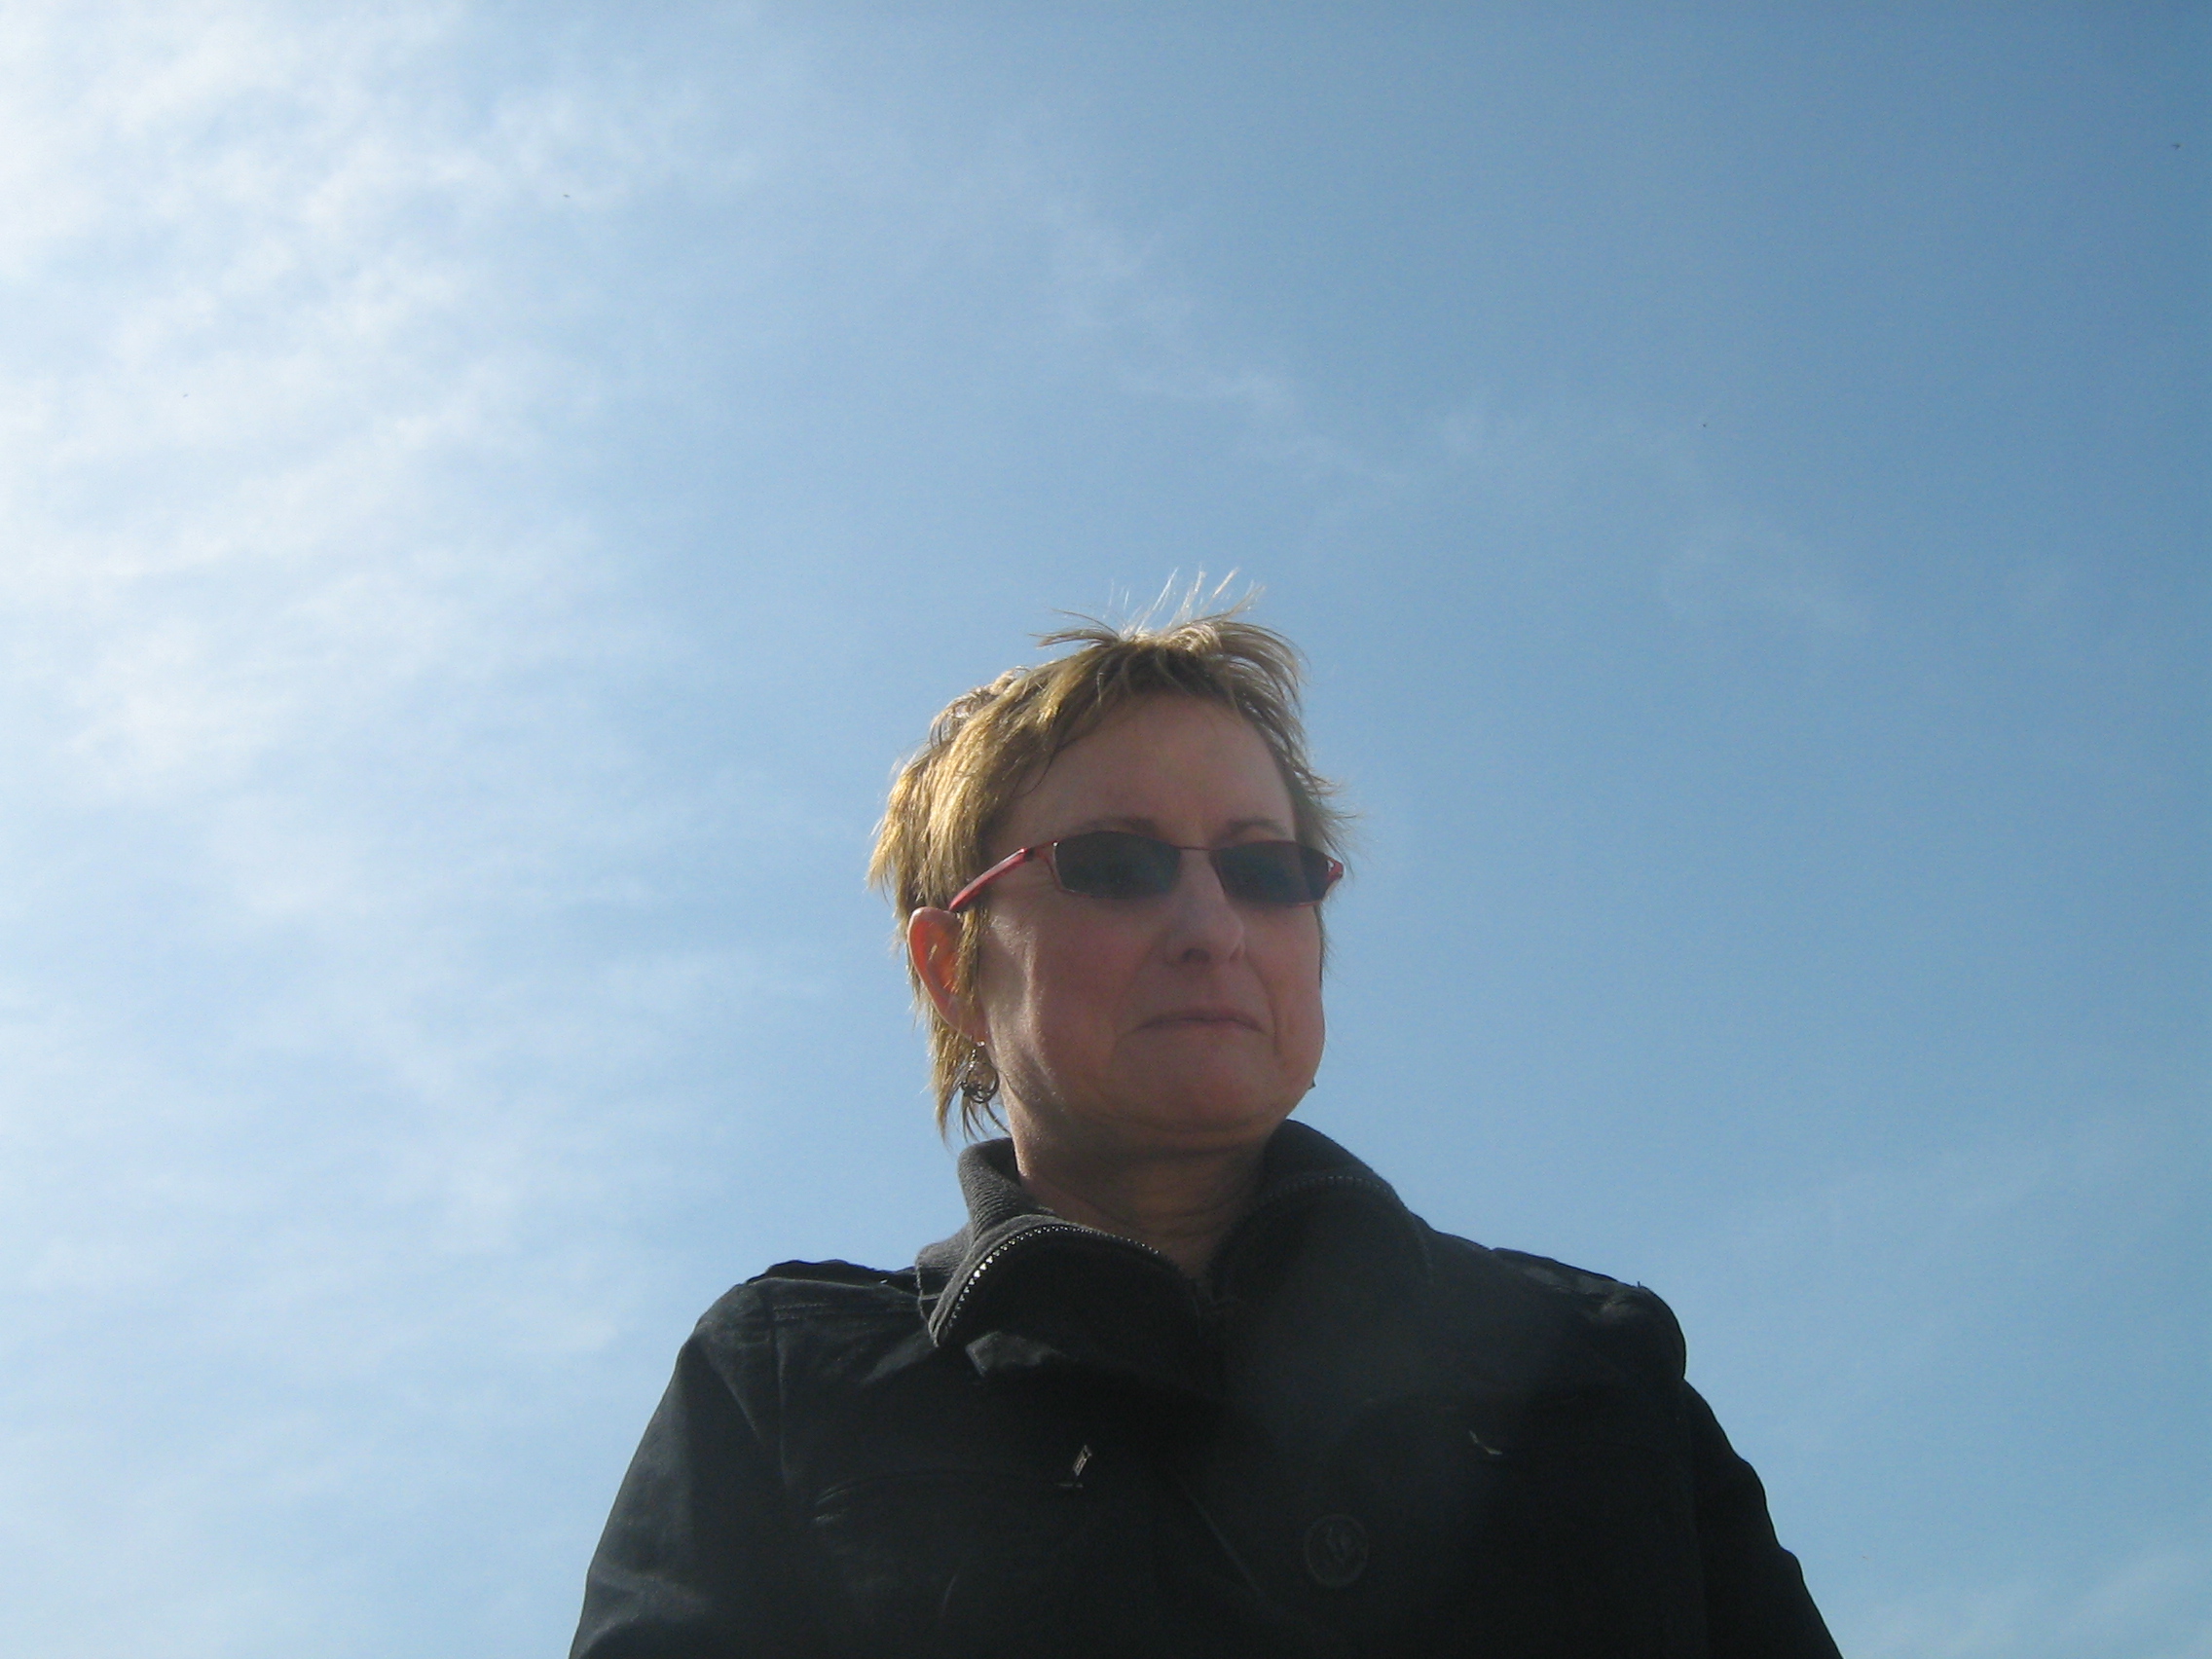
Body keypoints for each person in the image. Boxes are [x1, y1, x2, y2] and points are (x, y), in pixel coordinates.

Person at [570, 609, 1840, 1658]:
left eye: (1264, 870)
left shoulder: (1597, 1366)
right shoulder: (785, 1388)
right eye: (1115, 863)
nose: (1213, 929)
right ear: (952, 966)